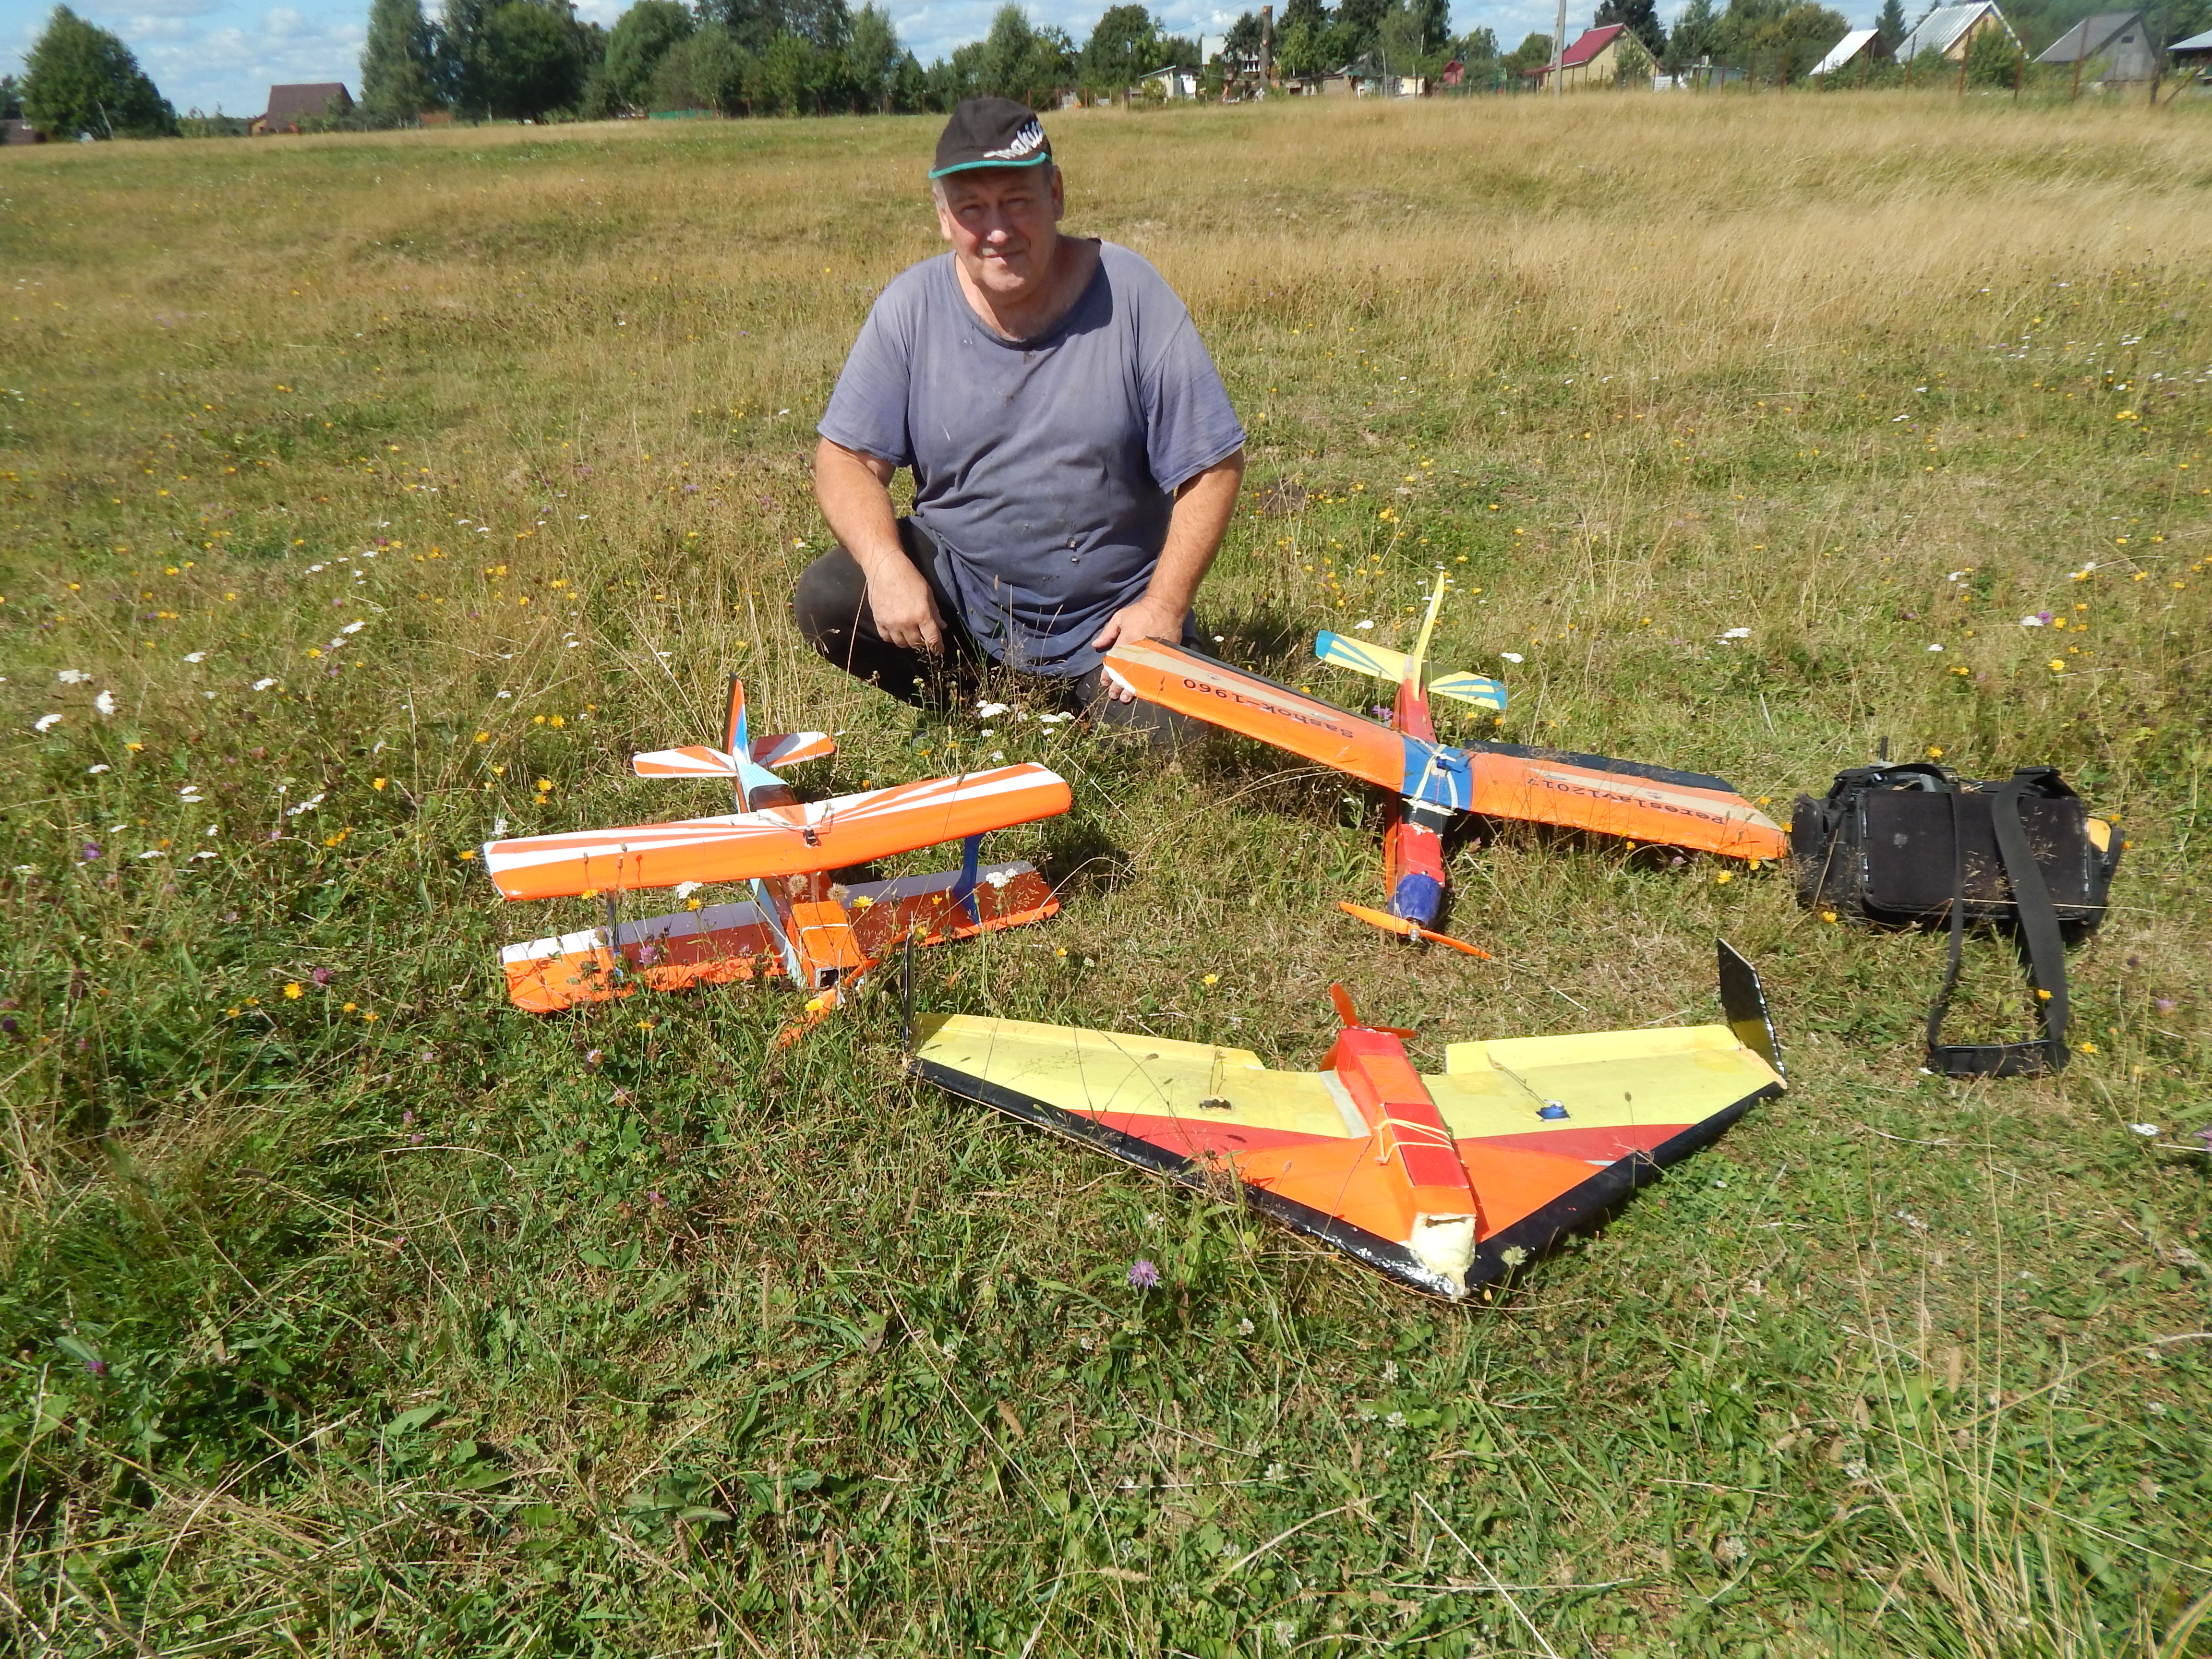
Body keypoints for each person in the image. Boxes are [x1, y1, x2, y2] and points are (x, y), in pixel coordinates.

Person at [796, 97, 1246, 741]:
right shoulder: (911, 308)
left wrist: (1163, 608)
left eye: (1017, 201)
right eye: (972, 208)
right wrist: (886, 564)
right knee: (831, 597)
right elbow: (846, 460)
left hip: (1111, 623)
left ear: (1055, 194)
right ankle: (977, 707)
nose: (998, 231)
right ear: (944, 218)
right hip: (964, 600)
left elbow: (1214, 465)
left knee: (1185, 744)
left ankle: (1084, 700)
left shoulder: (1131, 294)